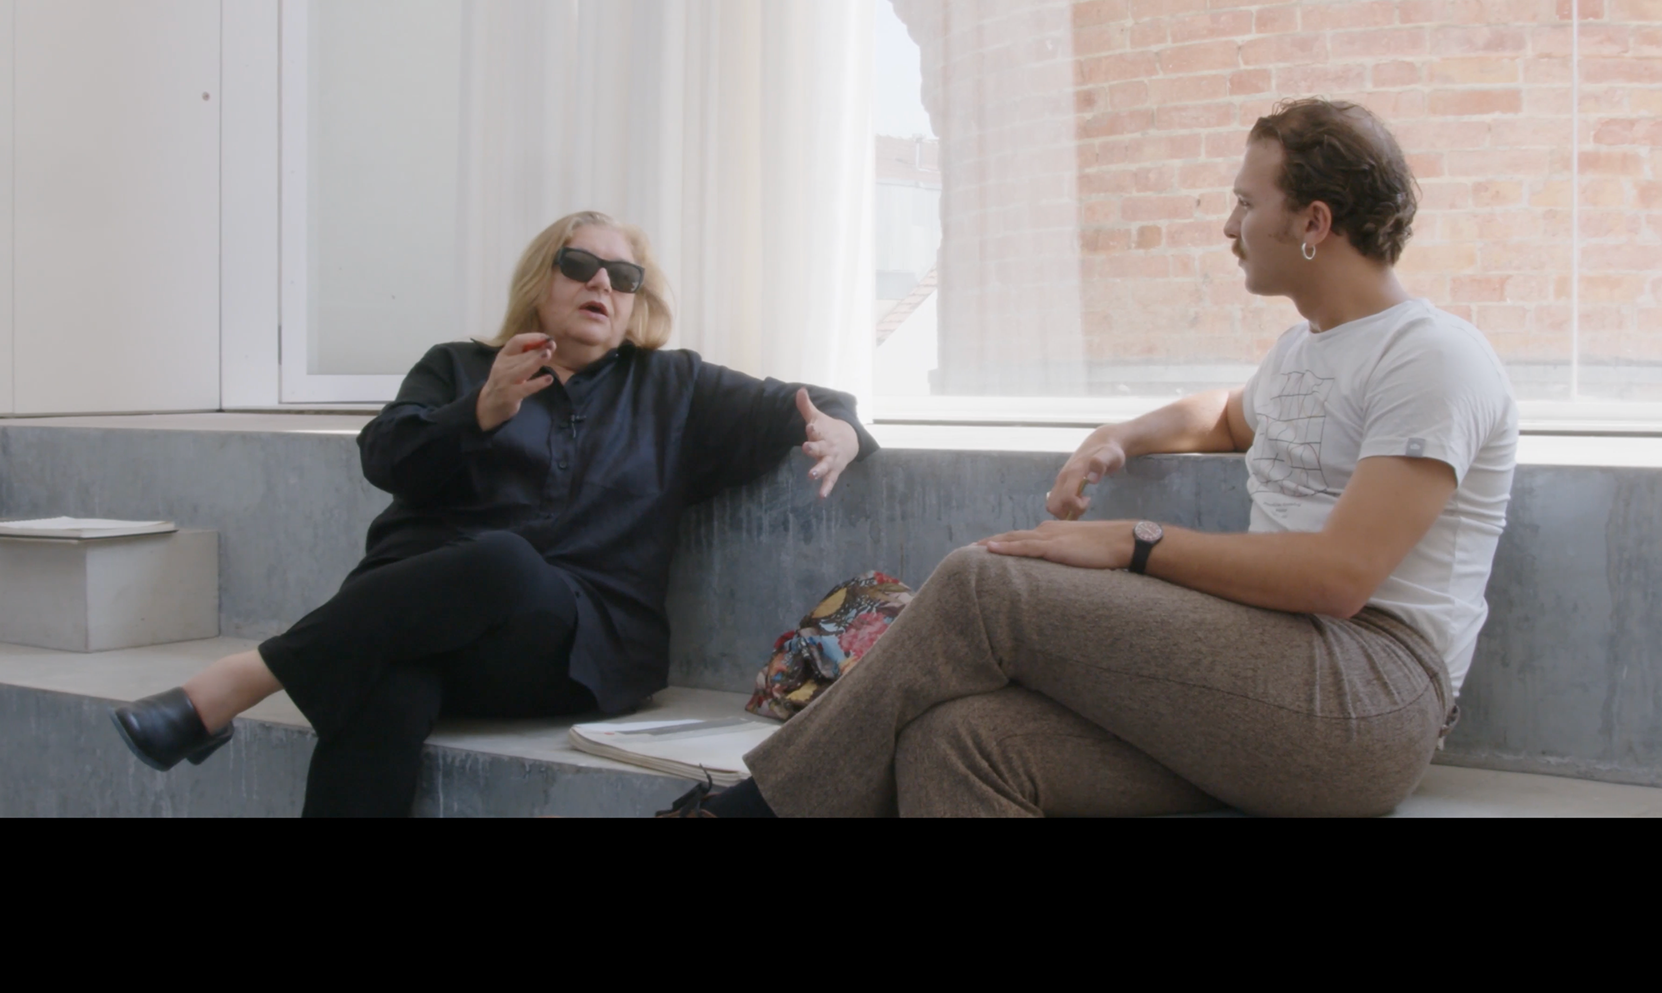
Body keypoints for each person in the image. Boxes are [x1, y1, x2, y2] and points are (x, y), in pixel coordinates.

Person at [684, 98, 1517, 818]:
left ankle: (753, 811)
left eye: (1245, 202)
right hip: (1265, 685)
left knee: (985, 584)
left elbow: (1340, 578)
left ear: (1314, 223)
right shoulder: (1307, 349)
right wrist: (1118, 436)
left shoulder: (1432, 357)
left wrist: (1132, 542)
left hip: (1368, 699)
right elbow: (1230, 417)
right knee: (958, 741)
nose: (1229, 226)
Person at [111, 210, 876, 815]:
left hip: (569, 651)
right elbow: (384, 457)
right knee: (386, 686)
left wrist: (842, 430)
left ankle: (237, 683)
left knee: (504, 561)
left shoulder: (674, 389)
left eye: (623, 276)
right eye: (579, 265)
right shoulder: (459, 366)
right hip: (422, 627)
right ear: (542, 278)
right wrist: (477, 411)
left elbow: (814, 403)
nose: (601, 283)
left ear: (636, 301)